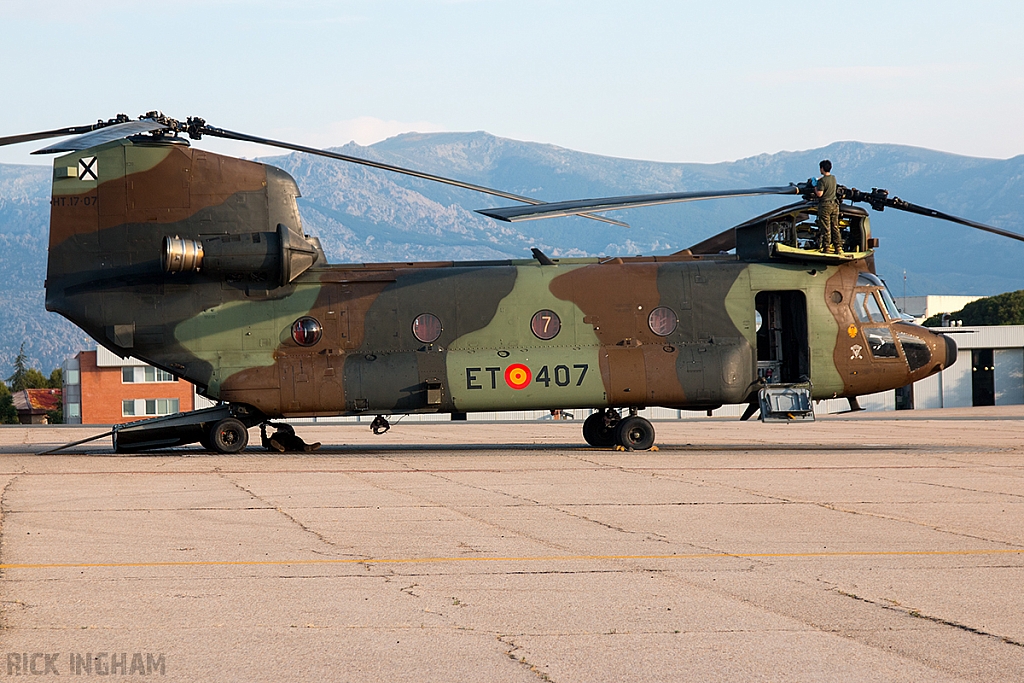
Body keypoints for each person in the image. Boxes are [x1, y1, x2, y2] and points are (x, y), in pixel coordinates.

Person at [814, 160, 842, 254]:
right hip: (834, 205)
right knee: (835, 226)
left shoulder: (822, 181)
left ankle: (827, 248)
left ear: (822, 168)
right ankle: (838, 247)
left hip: (825, 205)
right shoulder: (833, 178)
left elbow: (819, 194)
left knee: (826, 227)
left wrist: (815, 186)